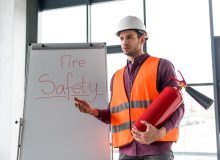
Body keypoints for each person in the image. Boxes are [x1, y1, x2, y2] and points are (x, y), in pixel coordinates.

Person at [74, 15, 185, 160]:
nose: (124, 42)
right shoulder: (117, 77)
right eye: (121, 38)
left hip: (157, 150)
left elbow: (178, 107)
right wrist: (93, 112)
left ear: (142, 39)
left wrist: (160, 133)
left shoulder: (161, 66)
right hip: (127, 151)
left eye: (129, 37)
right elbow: (115, 115)